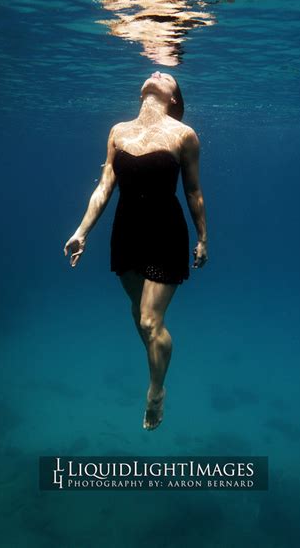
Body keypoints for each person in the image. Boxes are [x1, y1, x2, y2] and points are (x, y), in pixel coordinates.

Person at [63, 70, 208, 430]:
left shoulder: (184, 135)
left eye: (169, 75)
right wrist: (82, 231)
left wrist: (203, 237)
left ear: (175, 98)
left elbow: (193, 192)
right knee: (138, 313)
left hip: (166, 233)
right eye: (155, 71)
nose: (158, 71)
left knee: (149, 319)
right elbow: (104, 187)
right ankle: (156, 359)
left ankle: (156, 391)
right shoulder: (118, 131)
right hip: (126, 231)